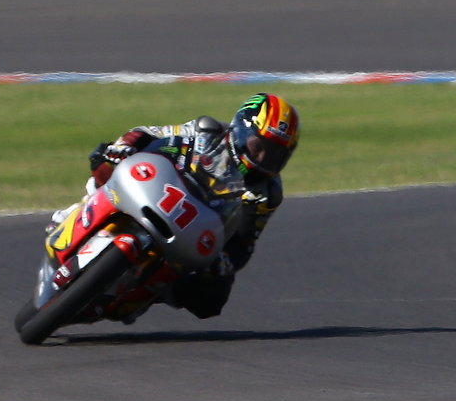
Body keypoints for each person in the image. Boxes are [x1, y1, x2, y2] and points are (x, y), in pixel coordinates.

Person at [78, 92, 301, 319]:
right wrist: (124, 146)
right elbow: (148, 134)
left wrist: (225, 262)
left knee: (213, 300)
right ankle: (80, 215)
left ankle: (149, 291)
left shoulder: (267, 193)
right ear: (242, 132)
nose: (263, 159)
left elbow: (244, 243)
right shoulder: (206, 132)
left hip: (194, 232)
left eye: (275, 155)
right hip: (158, 192)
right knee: (105, 162)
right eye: (258, 147)